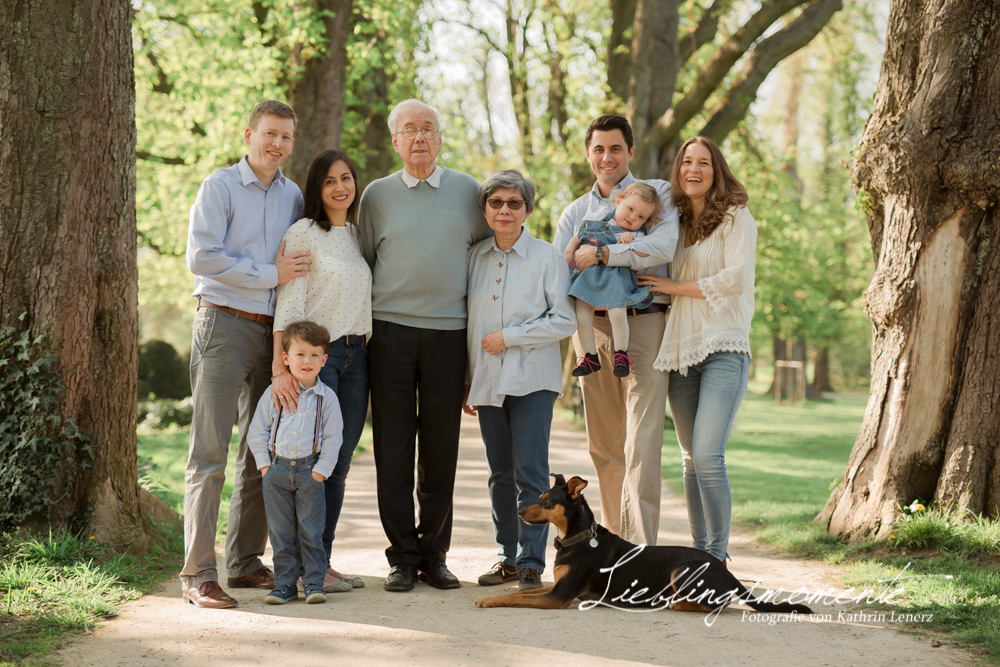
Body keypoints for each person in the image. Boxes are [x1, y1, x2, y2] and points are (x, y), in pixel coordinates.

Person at [357, 99, 492, 592]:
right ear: (395, 140)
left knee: (441, 450)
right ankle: (401, 557)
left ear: (440, 139)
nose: (419, 138)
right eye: (409, 130)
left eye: (428, 129)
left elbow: (483, 256)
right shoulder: (375, 196)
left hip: (448, 335)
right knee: (392, 450)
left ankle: (434, 554)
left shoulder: (468, 192)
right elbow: (368, 259)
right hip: (389, 332)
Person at [181, 100, 310, 609]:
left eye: (286, 137)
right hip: (223, 322)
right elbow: (202, 256)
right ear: (249, 134)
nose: (277, 144)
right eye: (270, 134)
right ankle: (197, 573)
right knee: (208, 453)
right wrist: (269, 274)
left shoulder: (293, 194)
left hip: (270, 334)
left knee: (261, 450)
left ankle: (242, 562)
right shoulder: (219, 187)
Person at [552, 114, 679, 546]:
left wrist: (604, 254)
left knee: (641, 445)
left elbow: (662, 246)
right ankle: (613, 549)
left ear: (630, 152)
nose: (607, 157)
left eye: (616, 148)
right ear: (588, 153)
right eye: (599, 149)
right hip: (594, 331)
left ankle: (642, 551)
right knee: (605, 447)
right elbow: (560, 271)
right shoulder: (576, 213)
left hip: (643, 325)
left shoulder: (656, 194)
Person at [640, 136, 756, 563]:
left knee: (708, 456)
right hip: (680, 352)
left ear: (716, 169)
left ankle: (718, 558)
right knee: (690, 460)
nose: (693, 169)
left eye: (703, 162)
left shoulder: (735, 216)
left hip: (724, 347)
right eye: (686, 161)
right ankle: (698, 558)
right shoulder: (671, 221)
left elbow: (734, 280)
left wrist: (672, 286)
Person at [462, 170, 576, 591]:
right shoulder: (475, 257)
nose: (505, 210)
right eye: (496, 203)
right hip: (488, 381)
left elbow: (563, 320)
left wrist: (510, 338)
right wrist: (467, 378)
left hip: (533, 380)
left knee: (531, 471)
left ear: (527, 209)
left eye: (514, 203)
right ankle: (505, 558)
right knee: (499, 474)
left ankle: (531, 562)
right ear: (485, 209)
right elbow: (468, 322)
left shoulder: (547, 257)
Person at [272, 150, 370, 592]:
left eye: (346, 178)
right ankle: (301, 568)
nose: (339, 188)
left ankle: (323, 563)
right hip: (317, 361)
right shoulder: (303, 233)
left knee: (339, 461)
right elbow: (289, 303)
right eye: (329, 181)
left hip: (357, 358)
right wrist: (284, 364)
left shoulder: (357, 235)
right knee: (312, 464)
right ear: (317, 188)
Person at [247, 320, 344, 605]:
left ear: (324, 360)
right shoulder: (273, 393)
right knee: (281, 533)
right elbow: (257, 431)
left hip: (309, 471)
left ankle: (314, 583)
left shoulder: (327, 398)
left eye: (315, 355)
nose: (307, 361)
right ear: (286, 358)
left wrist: (320, 473)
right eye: (300, 354)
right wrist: (266, 467)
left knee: (311, 532)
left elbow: (333, 438)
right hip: (276, 470)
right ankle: (285, 585)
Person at [564, 182, 663, 378]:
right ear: (618, 201)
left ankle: (621, 354)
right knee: (582, 317)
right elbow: (579, 235)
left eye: (641, 217)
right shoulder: (593, 222)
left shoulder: (636, 234)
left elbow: (639, 255)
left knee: (618, 313)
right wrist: (568, 252)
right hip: (587, 279)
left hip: (615, 280)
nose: (633, 217)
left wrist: (630, 239)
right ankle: (589, 357)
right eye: (630, 209)